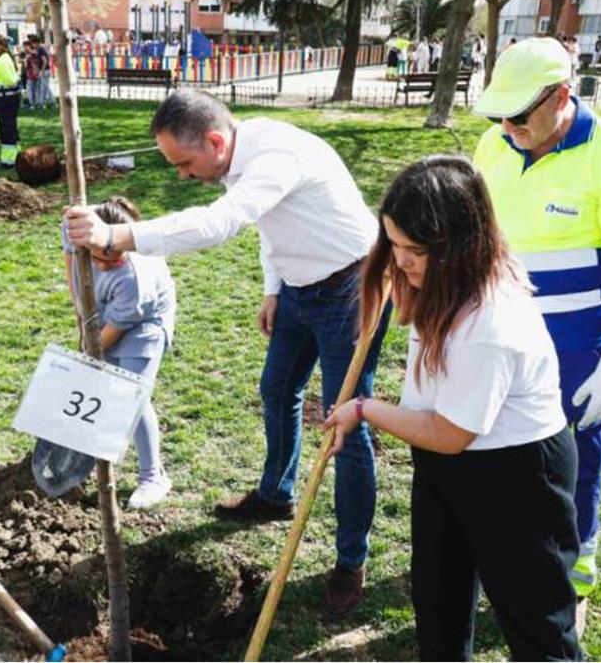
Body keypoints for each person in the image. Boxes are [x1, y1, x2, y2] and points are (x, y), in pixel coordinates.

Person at [64, 90, 391, 614]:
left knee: (346, 426)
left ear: (214, 141)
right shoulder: (238, 154)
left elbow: (222, 223)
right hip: (298, 290)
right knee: (277, 390)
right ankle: (276, 494)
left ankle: (351, 558)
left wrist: (118, 234)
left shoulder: (276, 155)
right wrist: (273, 287)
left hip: (352, 290)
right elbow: (272, 223)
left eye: (185, 163)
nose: (182, 176)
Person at [324, 156, 583, 661]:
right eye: (393, 245)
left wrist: (364, 409)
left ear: (458, 245)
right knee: (438, 603)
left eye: (414, 250)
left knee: (535, 622)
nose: (400, 261)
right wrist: (397, 272)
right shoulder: (443, 281)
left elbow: (449, 433)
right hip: (448, 464)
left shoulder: (491, 321)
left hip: (517, 474)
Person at [472, 37, 601, 631]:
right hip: (501, 327)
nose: (509, 125)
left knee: (578, 464)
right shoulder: (492, 144)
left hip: (578, 338)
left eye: (521, 113)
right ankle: (501, 553)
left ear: (561, 96)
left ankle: (572, 578)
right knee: (495, 447)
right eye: (500, 112)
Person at [61, 197, 177, 508]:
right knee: (110, 387)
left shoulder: (135, 277)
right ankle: (93, 455)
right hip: (102, 311)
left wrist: (90, 346)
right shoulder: (81, 226)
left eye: (115, 257)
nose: (107, 263)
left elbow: (106, 340)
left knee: (131, 395)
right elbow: (71, 258)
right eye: (100, 256)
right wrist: (81, 313)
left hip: (142, 325)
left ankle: (154, 476)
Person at [0, 34, 23, 168]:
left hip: (6, 99)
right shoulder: (5, 59)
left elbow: (10, 81)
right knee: (10, 126)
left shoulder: (3, 61)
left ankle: (9, 160)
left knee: (6, 128)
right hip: (6, 99)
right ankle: (16, 155)